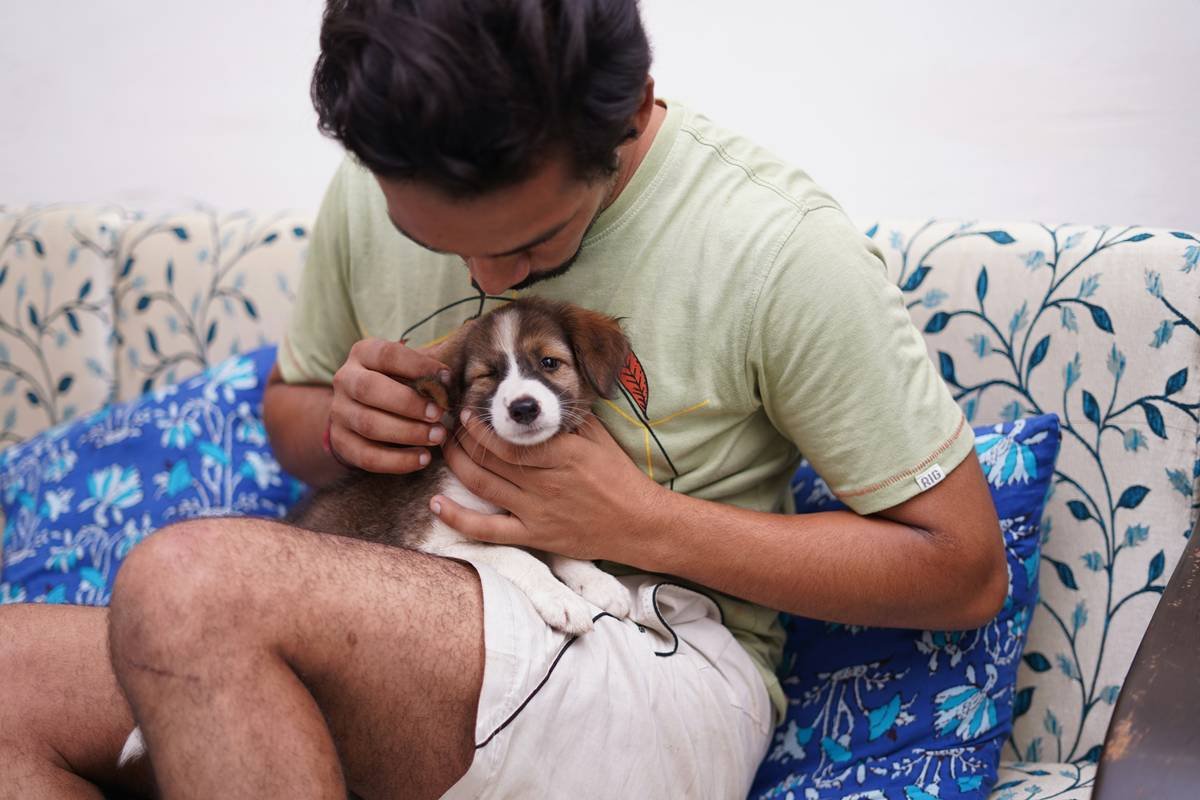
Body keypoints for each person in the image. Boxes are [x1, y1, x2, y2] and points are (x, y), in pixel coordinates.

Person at [0, 1, 1007, 798]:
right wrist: (341, 422)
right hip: (401, 589)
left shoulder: (778, 247)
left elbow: (962, 570)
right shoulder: (374, 182)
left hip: (650, 655)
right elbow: (292, 417)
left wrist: (644, 520)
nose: (485, 278)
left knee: (187, 582)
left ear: (628, 111)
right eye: (437, 243)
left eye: (533, 246)